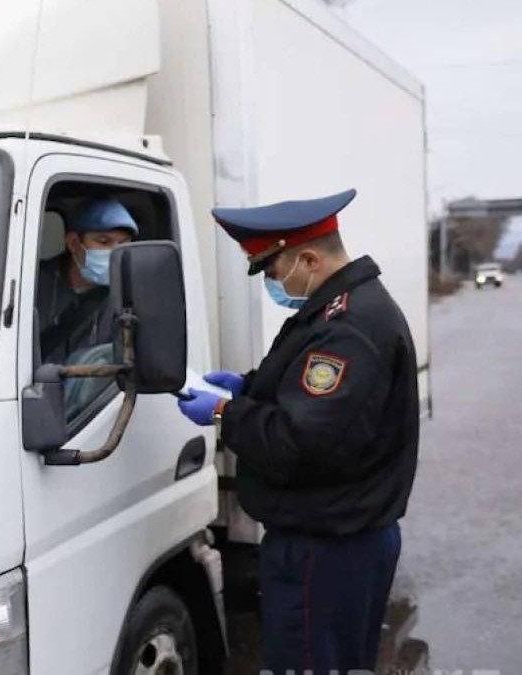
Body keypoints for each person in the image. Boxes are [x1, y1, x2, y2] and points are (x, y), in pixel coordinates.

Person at [176, 189, 419, 674]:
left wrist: (225, 412)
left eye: (271, 270)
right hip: (338, 538)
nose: (272, 282)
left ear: (308, 259)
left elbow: (301, 442)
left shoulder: (347, 328)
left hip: (326, 549)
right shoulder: (340, 310)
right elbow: (315, 403)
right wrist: (247, 387)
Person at [36, 198, 138, 365]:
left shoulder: (128, 295)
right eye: (104, 242)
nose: (114, 252)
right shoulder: (34, 283)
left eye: (123, 244)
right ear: (73, 243)